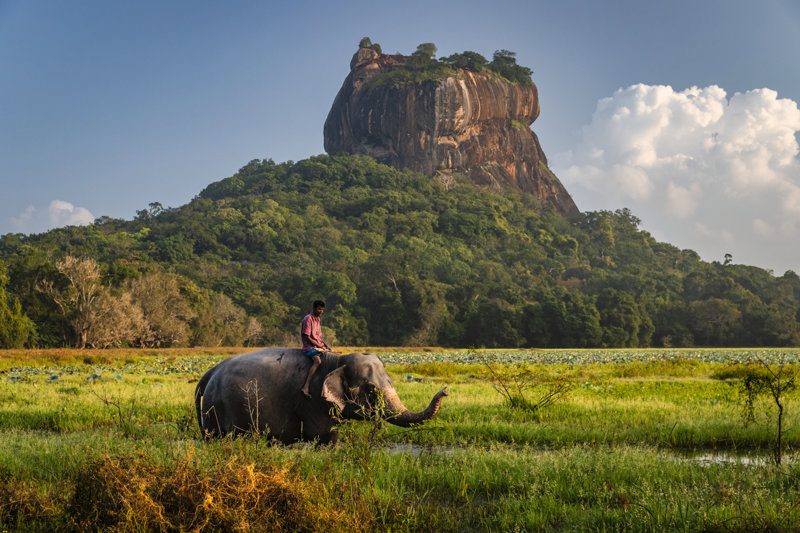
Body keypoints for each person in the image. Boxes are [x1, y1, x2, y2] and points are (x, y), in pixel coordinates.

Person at [300, 300, 331, 398]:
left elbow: (319, 337)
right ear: (314, 308)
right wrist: (318, 346)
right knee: (318, 361)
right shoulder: (308, 319)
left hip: (318, 346)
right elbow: (307, 337)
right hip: (309, 347)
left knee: (329, 355)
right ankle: (306, 386)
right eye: (319, 309)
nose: (321, 311)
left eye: (322, 309)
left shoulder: (318, 319)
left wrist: (326, 345)